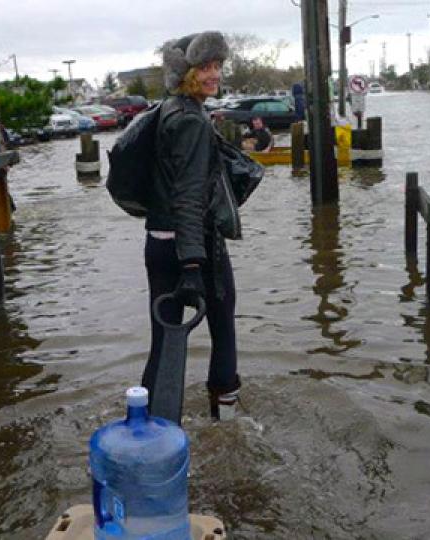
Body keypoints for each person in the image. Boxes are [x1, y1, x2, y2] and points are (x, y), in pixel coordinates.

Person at [141, 31, 241, 420]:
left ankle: (146, 432)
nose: (214, 74)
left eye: (217, 65)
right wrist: (194, 265)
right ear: (185, 72)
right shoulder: (193, 121)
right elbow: (188, 195)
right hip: (194, 248)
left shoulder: (168, 110)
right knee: (224, 331)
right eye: (205, 67)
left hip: (159, 242)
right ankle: (228, 427)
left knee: (163, 343)